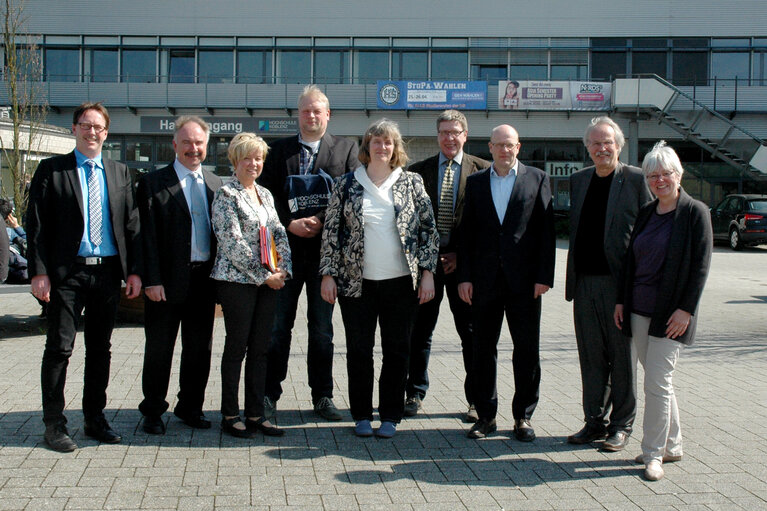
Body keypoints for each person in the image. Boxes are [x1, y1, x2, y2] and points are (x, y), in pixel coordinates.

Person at [26, 102, 142, 452]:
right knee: (60, 348)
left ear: (107, 132)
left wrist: (134, 271)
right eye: (86, 125)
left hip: (107, 274)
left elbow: (131, 226)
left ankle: (95, 418)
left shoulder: (121, 172)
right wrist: (39, 272)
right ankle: (54, 425)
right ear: (75, 129)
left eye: (99, 127)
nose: (93, 132)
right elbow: (36, 225)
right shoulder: (51, 170)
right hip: (66, 274)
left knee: (100, 350)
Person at [319, 118, 438, 439]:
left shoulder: (411, 182)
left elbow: (428, 230)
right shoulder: (345, 184)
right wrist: (328, 275)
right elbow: (331, 232)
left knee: (398, 350)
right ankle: (360, 414)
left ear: (395, 148)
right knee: (359, 350)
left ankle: (390, 415)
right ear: (367, 147)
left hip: (401, 283)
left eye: (388, 142)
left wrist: (428, 274)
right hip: (356, 284)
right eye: (376, 141)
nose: (382, 147)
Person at [614, 141, 712, 482]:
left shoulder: (695, 212)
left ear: (679, 174)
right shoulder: (646, 212)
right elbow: (631, 262)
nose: (659, 181)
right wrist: (621, 301)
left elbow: (701, 267)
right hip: (639, 311)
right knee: (660, 384)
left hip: (671, 315)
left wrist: (686, 310)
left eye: (665, 174)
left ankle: (653, 454)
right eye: (652, 175)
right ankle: (672, 444)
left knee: (656, 384)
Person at [259, 85, 359, 422]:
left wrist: (320, 221)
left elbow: (352, 199)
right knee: (277, 328)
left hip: (325, 260)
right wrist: (289, 223)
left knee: (321, 330)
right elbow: (266, 200)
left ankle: (323, 396)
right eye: (305, 111)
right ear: (298, 114)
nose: (311, 116)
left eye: (317, 110)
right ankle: (268, 394)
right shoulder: (277, 152)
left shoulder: (347, 149)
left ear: (327, 114)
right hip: (285, 257)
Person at [457, 124, 555, 441]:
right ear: (489, 147)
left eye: (509, 144)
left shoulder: (537, 178)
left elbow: (546, 233)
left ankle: (523, 417)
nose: (504, 150)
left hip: (525, 283)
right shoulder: (475, 183)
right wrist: (465, 278)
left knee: (526, 350)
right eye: (498, 145)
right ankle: (485, 417)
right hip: (484, 282)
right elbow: (466, 235)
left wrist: (544, 277)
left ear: (518, 146)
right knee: (482, 349)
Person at [565, 117, 652, 452]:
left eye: (608, 143)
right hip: (584, 284)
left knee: (622, 359)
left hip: (620, 287)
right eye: (595, 143)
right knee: (591, 357)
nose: (602, 149)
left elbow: (647, 232)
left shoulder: (635, 179)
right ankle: (593, 422)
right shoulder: (579, 180)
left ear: (619, 145)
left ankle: (622, 425)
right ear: (588, 147)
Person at [137, 116, 223, 435]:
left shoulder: (216, 184)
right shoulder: (153, 183)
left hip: (204, 281)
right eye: (186, 142)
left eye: (199, 142)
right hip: (166, 282)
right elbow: (144, 236)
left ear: (206, 145)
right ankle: (153, 410)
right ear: (175, 145)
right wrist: (151, 279)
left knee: (199, 349)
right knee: (160, 348)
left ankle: (190, 406)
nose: (193, 148)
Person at [404, 110, 490, 421]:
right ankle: (414, 392)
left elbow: (486, 227)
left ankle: (477, 399)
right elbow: (409, 223)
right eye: (444, 133)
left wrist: (460, 257)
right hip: (426, 267)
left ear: (465, 135)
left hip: (465, 268)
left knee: (471, 333)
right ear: (437, 136)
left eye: (455, 132)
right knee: (419, 331)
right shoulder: (417, 172)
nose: (449, 138)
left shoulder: (484, 171)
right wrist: (429, 259)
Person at [211, 133, 291, 438]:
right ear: (235, 160)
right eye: (247, 158)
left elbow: (278, 233)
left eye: (258, 158)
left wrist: (284, 269)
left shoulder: (266, 195)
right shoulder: (226, 195)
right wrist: (263, 275)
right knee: (237, 347)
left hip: (269, 281)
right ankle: (230, 414)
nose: (253, 164)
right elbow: (232, 242)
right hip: (237, 282)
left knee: (261, 349)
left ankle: (256, 413)